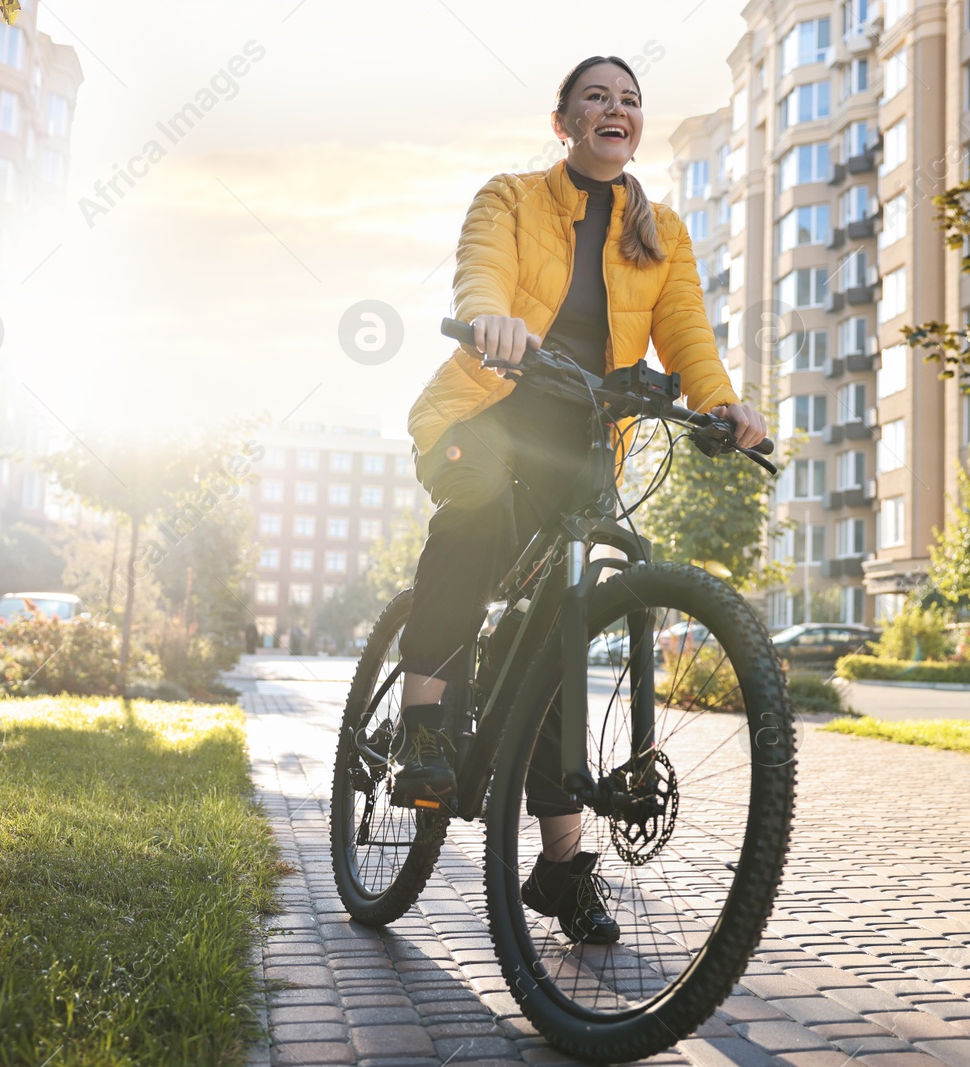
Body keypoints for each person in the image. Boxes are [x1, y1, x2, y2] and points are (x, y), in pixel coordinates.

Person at [392, 55, 768, 943]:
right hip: (490, 410)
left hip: (586, 441)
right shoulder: (513, 198)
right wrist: (493, 320)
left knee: (567, 625)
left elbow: (688, 340)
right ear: (563, 122)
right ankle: (418, 722)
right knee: (476, 507)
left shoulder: (661, 231)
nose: (616, 109)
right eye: (596, 97)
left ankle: (561, 869)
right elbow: (480, 271)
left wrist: (722, 405)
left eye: (630, 100)